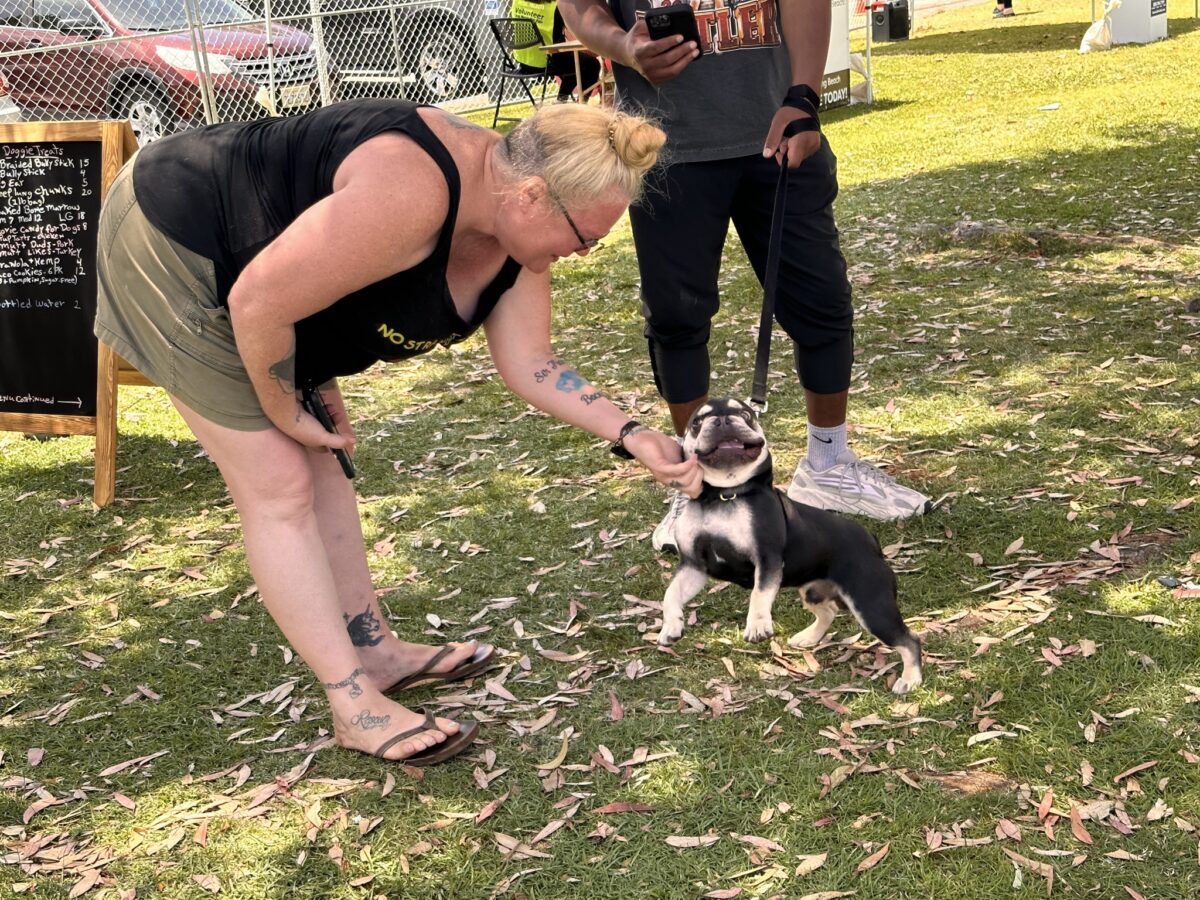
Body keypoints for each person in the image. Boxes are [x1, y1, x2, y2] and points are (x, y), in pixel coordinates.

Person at [94, 99, 700, 766]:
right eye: (584, 236)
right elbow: (259, 299)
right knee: (280, 484)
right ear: (532, 194)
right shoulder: (412, 191)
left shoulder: (517, 228)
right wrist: (285, 405)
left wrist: (633, 433)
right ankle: (354, 707)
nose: (582, 253)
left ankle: (375, 653)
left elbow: (532, 362)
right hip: (176, 239)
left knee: (325, 464)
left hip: (268, 275)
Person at [559, 0, 932, 552]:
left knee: (822, 302)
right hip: (665, 147)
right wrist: (625, 48)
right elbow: (579, 7)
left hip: (777, 130)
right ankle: (697, 485)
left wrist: (804, 97)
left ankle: (829, 464)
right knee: (677, 317)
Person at [510, 0, 603, 102]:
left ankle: (561, 102)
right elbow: (573, 31)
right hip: (547, 61)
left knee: (573, 62)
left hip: (524, 62)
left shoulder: (517, 2)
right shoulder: (555, 5)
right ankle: (579, 104)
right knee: (592, 65)